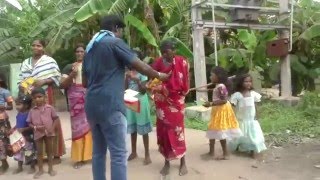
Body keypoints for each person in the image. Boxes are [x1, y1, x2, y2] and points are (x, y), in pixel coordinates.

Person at [82, 15, 169, 180]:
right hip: (111, 104)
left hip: (92, 106)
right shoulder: (114, 43)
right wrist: (159, 75)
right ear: (116, 28)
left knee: (98, 153)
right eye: (121, 30)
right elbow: (141, 66)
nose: (121, 34)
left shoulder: (89, 49)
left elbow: (85, 82)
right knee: (118, 153)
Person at [18, 39, 65, 164]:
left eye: (38, 45)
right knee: (35, 122)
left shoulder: (49, 61)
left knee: (51, 120)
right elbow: (21, 80)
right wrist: (22, 86)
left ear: (43, 48)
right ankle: (39, 154)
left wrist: (43, 81)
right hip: (31, 97)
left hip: (46, 94)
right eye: (33, 45)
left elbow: (57, 77)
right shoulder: (25, 63)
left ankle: (55, 154)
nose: (35, 47)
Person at [150, 40, 189, 176]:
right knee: (164, 132)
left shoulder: (181, 62)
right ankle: (166, 162)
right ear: (162, 52)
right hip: (162, 104)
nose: (168, 53)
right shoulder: (158, 63)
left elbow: (183, 84)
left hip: (176, 102)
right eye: (165, 52)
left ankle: (183, 162)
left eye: (170, 50)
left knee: (178, 131)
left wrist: (164, 87)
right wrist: (155, 87)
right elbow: (152, 78)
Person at [60, 44, 92, 169]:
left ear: (85, 53)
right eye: (77, 51)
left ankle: (89, 155)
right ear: (75, 53)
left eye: (82, 51)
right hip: (75, 104)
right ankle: (79, 158)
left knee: (90, 127)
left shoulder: (90, 66)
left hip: (88, 101)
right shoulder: (69, 67)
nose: (79, 53)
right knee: (77, 129)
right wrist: (72, 75)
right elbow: (62, 85)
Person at [202, 66, 242, 160]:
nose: (210, 77)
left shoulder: (221, 86)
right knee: (212, 129)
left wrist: (210, 103)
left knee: (220, 131)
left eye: (212, 75)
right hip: (217, 110)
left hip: (221, 110)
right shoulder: (218, 86)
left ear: (218, 76)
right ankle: (211, 152)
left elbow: (224, 100)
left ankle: (226, 154)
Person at [229, 74, 267, 158]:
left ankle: (253, 150)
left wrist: (257, 114)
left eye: (250, 81)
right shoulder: (237, 95)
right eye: (246, 81)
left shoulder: (253, 94)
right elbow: (233, 107)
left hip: (251, 120)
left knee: (253, 135)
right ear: (241, 83)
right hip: (241, 120)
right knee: (241, 136)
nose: (248, 83)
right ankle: (239, 146)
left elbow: (256, 106)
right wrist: (233, 117)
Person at [125, 50, 152, 165]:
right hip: (130, 97)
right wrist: (126, 78)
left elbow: (143, 90)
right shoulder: (128, 72)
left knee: (143, 128)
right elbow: (125, 88)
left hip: (141, 98)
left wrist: (137, 80)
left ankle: (147, 154)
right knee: (133, 128)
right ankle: (134, 152)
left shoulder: (143, 72)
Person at [27, 87, 59, 179]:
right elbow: (29, 122)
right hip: (38, 134)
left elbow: (56, 118)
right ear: (33, 99)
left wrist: (52, 128)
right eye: (35, 97)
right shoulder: (32, 111)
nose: (37, 99)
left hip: (49, 133)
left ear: (45, 97)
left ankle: (50, 169)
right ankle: (40, 170)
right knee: (39, 152)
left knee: (49, 151)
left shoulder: (50, 108)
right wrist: (36, 127)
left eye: (40, 96)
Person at [12, 95, 36, 174]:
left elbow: (32, 126)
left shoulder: (30, 113)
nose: (17, 106)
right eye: (16, 104)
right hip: (19, 137)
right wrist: (14, 128)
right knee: (18, 151)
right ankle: (19, 167)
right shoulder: (19, 114)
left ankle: (32, 167)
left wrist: (24, 129)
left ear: (26, 105)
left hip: (28, 136)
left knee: (29, 151)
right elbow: (18, 124)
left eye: (19, 104)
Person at [0, 73, 13, 174]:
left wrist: (3, 107)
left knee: (2, 142)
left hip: (2, 121)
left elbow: (11, 106)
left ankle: (4, 163)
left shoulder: (5, 92)